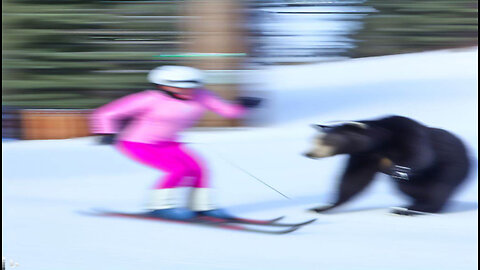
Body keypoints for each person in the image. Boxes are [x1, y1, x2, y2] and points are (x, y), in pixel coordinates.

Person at [90, 66, 261, 220]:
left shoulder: (202, 96)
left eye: (191, 86)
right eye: (180, 86)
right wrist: (106, 132)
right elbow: (107, 113)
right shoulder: (149, 99)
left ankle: (203, 208)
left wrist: (243, 105)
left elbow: (227, 111)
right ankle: (160, 207)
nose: (187, 90)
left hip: (170, 143)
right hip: (137, 143)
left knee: (198, 169)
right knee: (177, 169)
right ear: (163, 85)